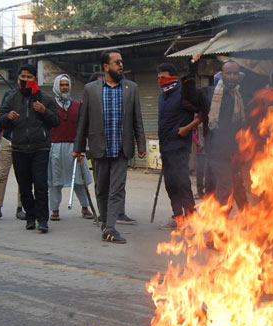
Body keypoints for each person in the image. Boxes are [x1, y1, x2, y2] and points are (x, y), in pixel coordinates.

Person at [73, 50, 146, 243]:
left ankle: (111, 227)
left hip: (122, 148)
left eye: (121, 62)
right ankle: (105, 222)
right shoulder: (91, 89)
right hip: (99, 147)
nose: (121, 65)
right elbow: (84, 120)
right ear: (105, 67)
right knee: (101, 189)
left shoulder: (132, 88)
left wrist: (141, 144)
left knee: (117, 189)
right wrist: (78, 147)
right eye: (116, 62)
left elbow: (137, 119)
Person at [0, 64, 60, 233]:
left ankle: (42, 220)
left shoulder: (45, 99)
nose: (25, 80)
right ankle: (30, 217)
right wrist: (8, 117)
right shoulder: (12, 98)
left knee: (40, 185)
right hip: (18, 148)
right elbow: (0, 120)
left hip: (40, 148)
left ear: (35, 79)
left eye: (29, 77)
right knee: (24, 186)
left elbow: (56, 120)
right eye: (22, 77)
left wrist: (44, 111)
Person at [182, 56, 247, 213]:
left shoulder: (240, 98)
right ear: (222, 75)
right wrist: (192, 67)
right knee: (225, 189)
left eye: (235, 74)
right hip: (216, 155)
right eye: (228, 73)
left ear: (239, 76)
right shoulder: (209, 94)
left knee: (236, 188)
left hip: (234, 154)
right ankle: (218, 230)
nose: (232, 77)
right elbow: (189, 94)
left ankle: (252, 223)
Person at [156, 62, 199, 230]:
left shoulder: (183, 93)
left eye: (164, 77)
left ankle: (192, 219)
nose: (160, 80)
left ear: (173, 77)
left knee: (182, 183)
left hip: (179, 146)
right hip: (166, 147)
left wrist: (186, 129)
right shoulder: (162, 95)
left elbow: (203, 113)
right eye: (158, 78)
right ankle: (178, 218)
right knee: (171, 184)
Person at [48, 74, 93, 221]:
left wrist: (84, 148)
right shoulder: (49, 105)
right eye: (61, 85)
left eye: (67, 84)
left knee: (80, 179)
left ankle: (85, 208)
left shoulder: (77, 105)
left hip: (75, 147)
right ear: (56, 86)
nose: (65, 87)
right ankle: (54, 210)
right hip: (55, 147)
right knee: (55, 181)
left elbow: (84, 127)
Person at [0, 88, 26, 220]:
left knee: (22, 176)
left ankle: (21, 207)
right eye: (22, 77)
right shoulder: (9, 95)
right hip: (7, 140)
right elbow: (0, 116)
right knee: (2, 174)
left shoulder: (31, 97)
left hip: (23, 142)